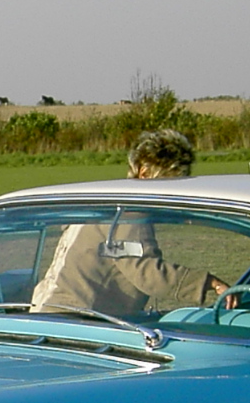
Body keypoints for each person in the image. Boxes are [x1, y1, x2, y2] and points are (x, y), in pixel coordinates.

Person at [32, 127, 228, 314]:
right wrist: (209, 283)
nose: (176, 191)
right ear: (144, 173)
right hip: (74, 316)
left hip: (46, 310)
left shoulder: (105, 203)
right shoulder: (129, 215)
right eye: (172, 180)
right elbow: (145, 271)